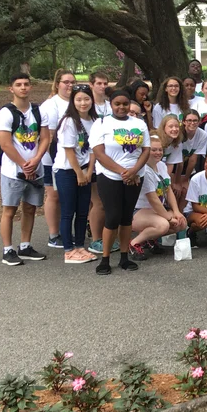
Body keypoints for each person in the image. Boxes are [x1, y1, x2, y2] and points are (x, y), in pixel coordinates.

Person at [89, 89, 150, 275]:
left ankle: (124, 256)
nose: (121, 107)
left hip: (135, 175)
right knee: (113, 216)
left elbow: (146, 150)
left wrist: (134, 171)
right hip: (110, 176)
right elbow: (99, 153)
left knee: (126, 217)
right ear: (111, 104)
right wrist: (123, 172)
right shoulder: (101, 123)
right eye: (117, 104)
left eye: (125, 104)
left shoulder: (139, 123)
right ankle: (105, 259)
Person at [0, 72, 50, 266]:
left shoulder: (38, 111)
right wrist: (23, 165)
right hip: (13, 171)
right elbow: (5, 144)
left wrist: (36, 160)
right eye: (19, 84)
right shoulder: (6, 113)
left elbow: (45, 138)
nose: (23, 87)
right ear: (12, 89)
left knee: (30, 208)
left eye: (26, 84)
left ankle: (25, 246)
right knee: (9, 210)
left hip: (36, 169)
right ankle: (7, 249)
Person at [53, 84, 98, 264]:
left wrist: (89, 171)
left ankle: (80, 246)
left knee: (82, 211)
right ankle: (69, 250)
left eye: (86, 99)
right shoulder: (68, 121)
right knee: (68, 211)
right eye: (78, 99)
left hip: (86, 170)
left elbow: (94, 149)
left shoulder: (94, 120)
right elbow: (69, 151)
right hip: (67, 171)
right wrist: (79, 173)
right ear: (73, 101)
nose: (83, 103)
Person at [130, 134, 187, 260]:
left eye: (160, 149)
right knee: (163, 225)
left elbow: (168, 190)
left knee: (181, 223)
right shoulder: (143, 170)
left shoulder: (161, 165)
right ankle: (134, 244)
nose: (158, 152)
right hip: (137, 211)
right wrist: (168, 217)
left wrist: (177, 212)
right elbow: (153, 199)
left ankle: (149, 239)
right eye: (153, 150)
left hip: (154, 210)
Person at [41, 68, 76, 249]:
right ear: (57, 84)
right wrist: (55, 160)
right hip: (53, 159)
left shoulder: (77, 102)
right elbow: (49, 137)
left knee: (66, 197)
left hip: (74, 159)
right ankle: (54, 234)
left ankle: (64, 232)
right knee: (53, 196)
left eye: (72, 82)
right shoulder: (51, 105)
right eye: (66, 82)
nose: (70, 85)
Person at [179, 110, 207, 202]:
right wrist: (177, 180)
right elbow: (176, 159)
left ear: (199, 121)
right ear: (183, 122)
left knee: (187, 191)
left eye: (195, 120)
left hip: (188, 165)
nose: (192, 123)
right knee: (176, 189)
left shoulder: (203, 134)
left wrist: (185, 179)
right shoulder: (178, 133)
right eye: (189, 120)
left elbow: (193, 160)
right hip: (174, 164)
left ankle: (182, 213)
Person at [157, 114, 184, 205]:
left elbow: (170, 164)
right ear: (163, 128)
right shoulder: (155, 139)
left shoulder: (177, 143)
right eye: (170, 126)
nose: (174, 129)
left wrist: (164, 180)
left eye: (177, 126)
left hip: (161, 170)